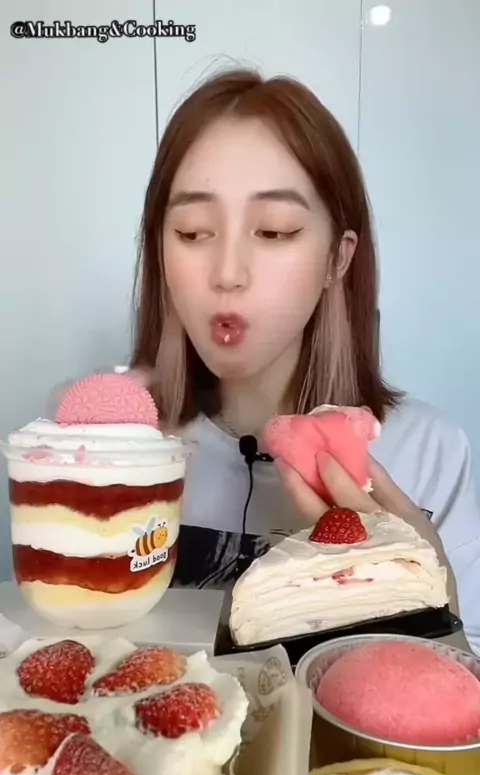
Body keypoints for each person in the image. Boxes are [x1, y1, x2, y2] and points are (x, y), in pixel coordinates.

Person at [123, 68, 479, 651]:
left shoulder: (428, 451)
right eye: (192, 232)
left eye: (274, 231)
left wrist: (434, 608)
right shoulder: (116, 452)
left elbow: (468, 692)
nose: (227, 273)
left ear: (338, 259)